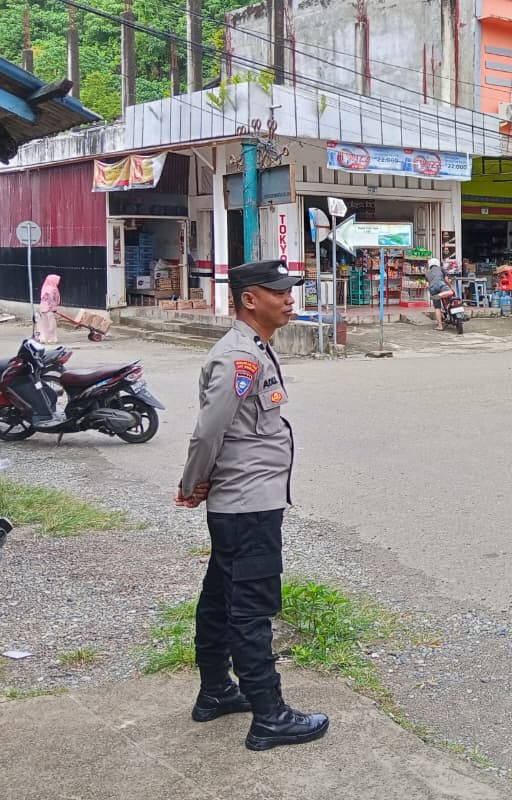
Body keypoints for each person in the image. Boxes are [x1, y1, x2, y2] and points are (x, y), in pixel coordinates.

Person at [176, 258, 329, 751]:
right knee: (251, 609)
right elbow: (209, 430)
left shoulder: (254, 348)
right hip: (247, 505)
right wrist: (192, 483)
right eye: (278, 292)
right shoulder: (239, 358)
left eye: (290, 291)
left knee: (221, 597)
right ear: (249, 299)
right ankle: (270, 716)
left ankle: (216, 691)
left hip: (245, 501)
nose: (289, 299)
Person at [426, 256, 454, 331]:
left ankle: (440, 326)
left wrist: (431, 291)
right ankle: (439, 295)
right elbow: (446, 280)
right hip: (440, 284)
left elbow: (427, 285)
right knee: (450, 292)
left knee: (437, 308)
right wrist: (451, 286)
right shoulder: (441, 269)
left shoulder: (427, 273)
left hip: (432, 288)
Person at [36, 274, 60, 344]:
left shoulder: (45, 287)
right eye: (56, 280)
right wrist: (53, 308)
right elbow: (51, 300)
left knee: (44, 324)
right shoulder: (52, 289)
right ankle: (52, 339)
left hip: (43, 308)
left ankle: (44, 338)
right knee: (51, 324)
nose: (57, 282)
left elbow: (44, 299)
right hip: (49, 309)